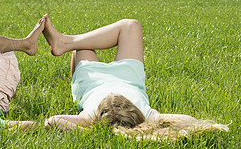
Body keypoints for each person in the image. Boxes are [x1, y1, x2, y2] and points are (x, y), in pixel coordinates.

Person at [42, 15, 229, 141]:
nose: (113, 94)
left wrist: (96, 131)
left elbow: (52, 121)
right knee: (131, 25)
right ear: (134, 111)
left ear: (100, 117)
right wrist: (151, 126)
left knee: (83, 48)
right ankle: (64, 42)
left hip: (91, 80)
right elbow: (189, 120)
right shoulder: (148, 117)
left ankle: (66, 43)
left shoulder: (89, 118)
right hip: (128, 76)